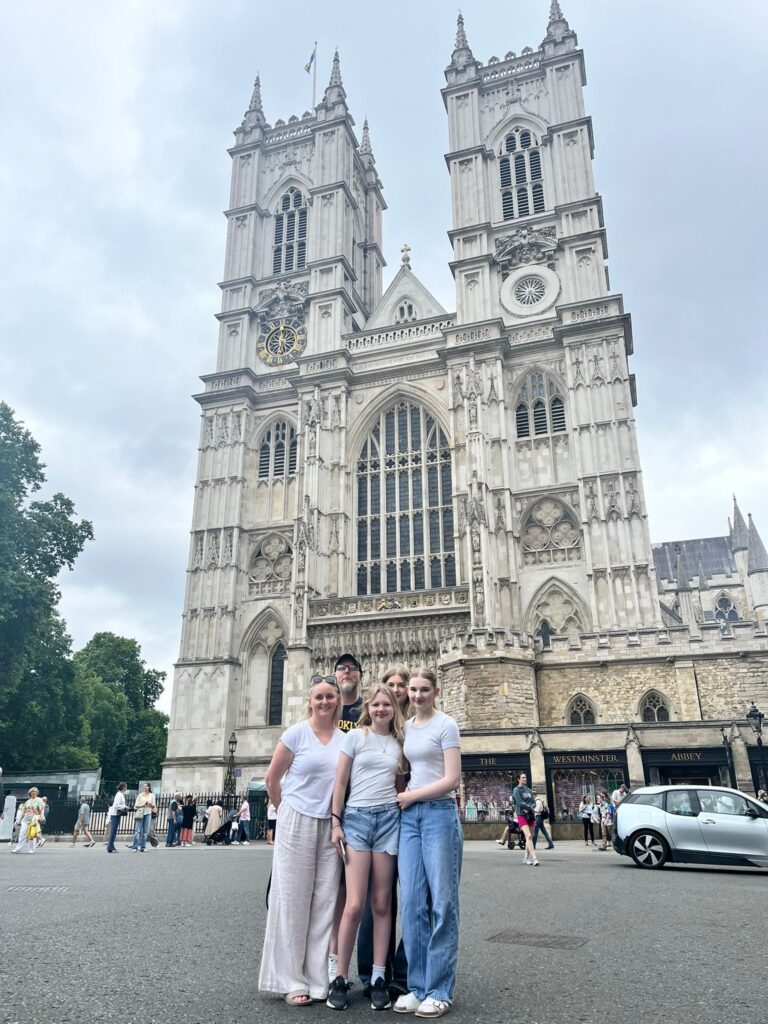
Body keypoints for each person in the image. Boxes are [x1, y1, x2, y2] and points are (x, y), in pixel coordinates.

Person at [258, 675, 346, 1005]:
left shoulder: (343, 739)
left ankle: (316, 977)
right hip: (297, 820)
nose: (324, 701)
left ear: (338, 700)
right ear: (310, 700)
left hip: (329, 825)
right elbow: (271, 778)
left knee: (324, 903)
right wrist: (286, 809)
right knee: (292, 900)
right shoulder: (296, 733)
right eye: (319, 697)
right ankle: (292, 979)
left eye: (330, 696)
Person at [327, 683, 405, 1011]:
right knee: (355, 904)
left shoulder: (400, 744)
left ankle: (377, 978)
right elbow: (340, 782)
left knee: (382, 903)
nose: (381, 709)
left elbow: (400, 787)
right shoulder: (354, 738)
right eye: (376, 705)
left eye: (386, 704)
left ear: (393, 709)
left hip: (388, 821)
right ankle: (340, 978)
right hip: (357, 820)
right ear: (368, 708)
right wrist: (335, 821)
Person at [394, 667, 462, 1019]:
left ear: (436, 691)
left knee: (443, 902)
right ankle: (417, 986)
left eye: (424, 690)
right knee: (411, 903)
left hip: (437, 814)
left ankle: (440, 989)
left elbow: (452, 780)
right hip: (410, 819)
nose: (417, 695)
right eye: (413, 690)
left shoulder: (446, 725)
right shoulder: (406, 728)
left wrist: (412, 795)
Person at [512, 771, 538, 867]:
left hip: (530, 815)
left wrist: (531, 808)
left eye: (525, 777)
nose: (525, 779)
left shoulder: (529, 790)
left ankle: (526, 858)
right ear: (518, 779)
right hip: (521, 815)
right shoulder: (516, 790)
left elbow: (534, 802)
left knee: (530, 837)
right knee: (528, 836)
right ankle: (534, 858)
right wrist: (529, 807)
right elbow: (519, 803)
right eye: (523, 777)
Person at [335, 653, 364, 732]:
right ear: (334, 676)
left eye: (352, 667)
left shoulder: (369, 710)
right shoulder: (327, 708)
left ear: (361, 676)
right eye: (341, 668)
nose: (347, 671)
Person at [11, 787, 45, 854]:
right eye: (32, 791)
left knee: (32, 834)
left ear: (37, 793)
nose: (34, 792)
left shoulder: (39, 800)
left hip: (34, 819)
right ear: (30, 793)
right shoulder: (27, 801)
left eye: (35, 791)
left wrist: (42, 815)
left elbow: (42, 809)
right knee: (22, 834)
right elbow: (23, 812)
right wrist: (20, 820)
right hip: (26, 819)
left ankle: (31, 849)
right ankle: (18, 849)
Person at [129, 783, 154, 852]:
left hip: (148, 813)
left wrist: (149, 804)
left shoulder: (152, 795)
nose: (144, 788)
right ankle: (135, 847)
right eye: (144, 786)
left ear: (149, 787)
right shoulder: (140, 795)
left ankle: (143, 847)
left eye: (145, 786)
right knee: (137, 831)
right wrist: (143, 805)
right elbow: (136, 806)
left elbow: (153, 806)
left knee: (145, 832)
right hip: (140, 812)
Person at [106, 783, 128, 853]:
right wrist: (124, 807)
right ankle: (110, 847)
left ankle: (111, 846)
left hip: (116, 814)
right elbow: (116, 806)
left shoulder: (120, 794)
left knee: (114, 831)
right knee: (113, 831)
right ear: (123, 787)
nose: (126, 788)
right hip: (115, 814)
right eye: (126, 787)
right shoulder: (119, 795)